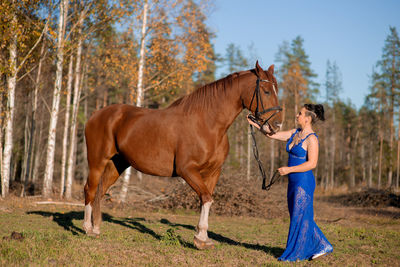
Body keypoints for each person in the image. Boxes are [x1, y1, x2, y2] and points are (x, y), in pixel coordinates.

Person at [247, 103, 333, 261]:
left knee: (300, 216)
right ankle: (323, 245)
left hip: (304, 181)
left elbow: (312, 163)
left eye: (300, 114)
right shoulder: (295, 133)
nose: (297, 116)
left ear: (307, 119)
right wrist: (257, 125)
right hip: (293, 182)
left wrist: (288, 170)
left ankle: (297, 253)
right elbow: (272, 135)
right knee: (299, 215)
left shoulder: (312, 139)